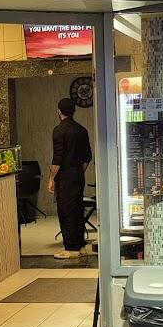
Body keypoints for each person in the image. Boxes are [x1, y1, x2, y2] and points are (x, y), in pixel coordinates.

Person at [47, 97, 92, 259]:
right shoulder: (82, 130)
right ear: (74, 111)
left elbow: (57, 159)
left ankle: (71, 248)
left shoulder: (59, 130)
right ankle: (79, 246)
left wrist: (52, 179)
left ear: (59, 111)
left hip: (65, 176)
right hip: (78, 175)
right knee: (78, 209)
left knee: (65, 211)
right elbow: (87, 157)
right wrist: (79, 172)